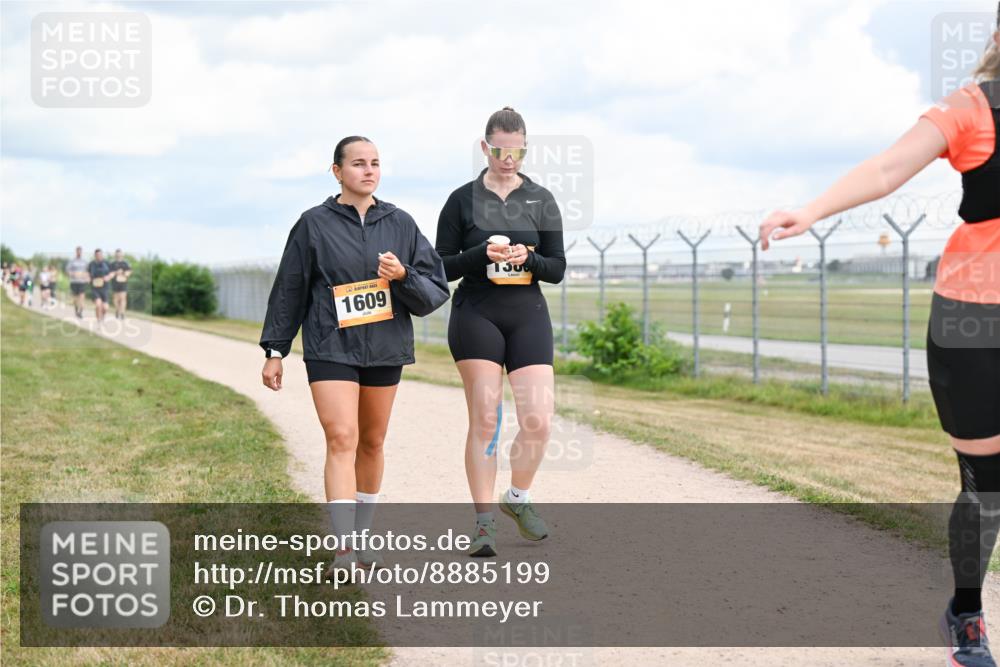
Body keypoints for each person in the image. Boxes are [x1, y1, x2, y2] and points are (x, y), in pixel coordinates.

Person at [759, 13, 1000, 666]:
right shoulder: (973, 108)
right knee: (987, 483)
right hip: (975, 322)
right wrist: (809, 211)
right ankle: (967, 613)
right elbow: (891, 167)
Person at [259, 136, 449, 573]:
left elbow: (434, 288)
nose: (369, 170)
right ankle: (343, 548)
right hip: (330, 345)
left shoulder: (400, 223)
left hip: (385, 346)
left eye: (375, 163)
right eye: (359, 163)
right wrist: (275, 349)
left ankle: (364, 538)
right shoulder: (314, 223)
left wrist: (403, 276)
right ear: (337, 171)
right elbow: (290, 289)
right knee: (341, 436)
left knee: (372, 440)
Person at [435, 107, 566, 557]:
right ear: (484, 146)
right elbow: (441, 265)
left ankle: (517, 498)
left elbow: (558, 269)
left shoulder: (542, 199)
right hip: (477, 313)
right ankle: (484, 524)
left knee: (539, 420)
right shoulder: (461, 200)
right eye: (500, 150)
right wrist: (480, 254)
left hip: (527, 311)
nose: (508, 158)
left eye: (517, 150)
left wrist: (527, 258)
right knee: (486, 420)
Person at [88, 249, 111, 322]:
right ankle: (99, 321)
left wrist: (108, 277)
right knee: (98, 305)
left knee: (105, 308)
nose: (99, 256)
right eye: (97, 255)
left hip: (105, 288)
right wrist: (88, 278)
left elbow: (112, 273)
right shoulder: (91, 264)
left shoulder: (107, 263)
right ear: (95, 256)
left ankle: (102, 316)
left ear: (102, 255)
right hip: (95, 288)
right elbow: (88, 273)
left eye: (100, 255)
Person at [108, 249, 132, 320]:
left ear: (122, 255)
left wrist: (124, 273)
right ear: (115, 255)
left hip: (123, 283)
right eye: (117, 255)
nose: (118, 256)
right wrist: (116, 272)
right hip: (115, 283)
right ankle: (117, 310)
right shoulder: (112, 264)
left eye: (120, 255)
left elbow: (129, 272)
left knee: (123, 298)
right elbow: (109, 274)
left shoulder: (126, 263)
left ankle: (122, 313)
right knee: (116, 299)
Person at [66, 247, 89, 318]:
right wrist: (72, 274)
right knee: (75, 298)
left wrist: (87, 277)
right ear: (76, 252)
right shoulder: (72, 261)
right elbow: (67, 270)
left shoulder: (85, 261)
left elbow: (88, 271)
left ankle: (80, 312)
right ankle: (76, 310)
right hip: (74, 282)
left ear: (81, 252)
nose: (79, 253)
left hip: (82, 282)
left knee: (82, 297)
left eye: (80, 251)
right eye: (78, 251)